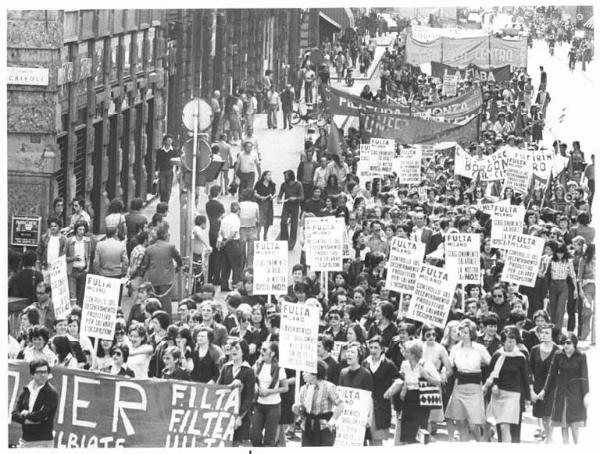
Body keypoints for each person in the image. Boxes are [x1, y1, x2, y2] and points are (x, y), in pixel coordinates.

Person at [385, 339, 442, 445]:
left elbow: (439, 382)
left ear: (413, 354)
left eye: (406, 351)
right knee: (407, 432)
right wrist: (394, 391)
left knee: (420, 431)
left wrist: (426, 376)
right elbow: (403, 380)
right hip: (408, 399)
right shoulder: (404, 364)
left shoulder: (426, 364)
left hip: (422, 399)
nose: (404, 353)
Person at [539, 332, 589, 444]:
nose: (565, 346)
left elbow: (584, 377)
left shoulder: (581, 356)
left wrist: (586, 394)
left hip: (576, 394)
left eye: (568, 343)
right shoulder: (558, 355)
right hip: (561, 392)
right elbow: (551, 374)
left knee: (575, 425)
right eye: (564, 343)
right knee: (564, 423)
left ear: (574, 344)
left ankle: (576, 447)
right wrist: (544, 390)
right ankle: (565, 447)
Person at [445, 319, 491, 442]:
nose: (464, 334)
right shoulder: (455, 348)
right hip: (459, 385)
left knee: (475, 423)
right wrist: (442, 375)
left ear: (472, 333)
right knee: (460, 421)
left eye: (467, 332)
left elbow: (492, 364)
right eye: (462, 331)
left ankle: (482, 443)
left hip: (475, 386)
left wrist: (487, 384)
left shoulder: (480, 348)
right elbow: (448, 366)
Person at [483, 326, 531, 443]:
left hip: (513, 395)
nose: (511, 344)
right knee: (500, 426)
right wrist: (494, 385)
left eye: (513, 341)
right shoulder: (497, 356)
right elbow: (490, 374)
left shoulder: (520, 357)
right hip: (498, 395)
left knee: (505, 426)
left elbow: (525, 379)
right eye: (509, 341)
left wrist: (527, 398)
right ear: (503, 342)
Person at [292, 360, 344, 447]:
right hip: (307, 428)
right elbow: (301, 410)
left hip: (325, 428)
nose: (303, 373)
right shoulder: (304, 389)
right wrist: (296, 408)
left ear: (314, 374)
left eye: (306, 371)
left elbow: (341, 405)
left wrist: (332, 421)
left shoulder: (329, 387)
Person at [11, 359, 59, 448]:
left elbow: (41, 416)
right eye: (39, 372)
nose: (43, 375)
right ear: (32, 374)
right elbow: (14, 414)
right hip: (25, 440)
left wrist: (26, 413)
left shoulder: (51, 393)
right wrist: (27, 420)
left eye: (45, 371)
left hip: (43, 441)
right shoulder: (26, 389)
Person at [218, 339, 256, 446]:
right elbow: (218, 388)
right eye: (232, 347)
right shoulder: (226, 367)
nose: (234, 350)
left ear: (243, 351)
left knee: (238, 444)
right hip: (225, 412)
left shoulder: (249, 371)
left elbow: (249, 397)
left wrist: (239, 417)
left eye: (237, 348)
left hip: (241, 416)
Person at [250, 341, 289, 447]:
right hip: (259, 404)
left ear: (272, 353)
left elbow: (285, 388)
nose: (261, 352)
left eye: (264, 349)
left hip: (273, 406)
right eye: (260, 349)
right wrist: (256, 388)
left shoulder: (279, 368)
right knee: (254, 436)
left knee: (269, 439)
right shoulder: (257, 364)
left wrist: (269, 391)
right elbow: (253, 379)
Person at [362, 335, 399, 445]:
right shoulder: (365, 362)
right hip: (367, 404)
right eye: (371, 347)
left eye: (376, 348)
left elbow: (400, 380)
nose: (373, 350)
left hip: (381, 405)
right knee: (368, 437)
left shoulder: (388, 364)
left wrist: (390, 391)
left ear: (382, 349)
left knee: (378, 438)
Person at [530, 323, 558, 443]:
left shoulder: (558, 350)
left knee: (549, 414)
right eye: (542, 332)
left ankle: (549, 438)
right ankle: (545, 433)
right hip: (538, 385)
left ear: (552, 335)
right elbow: (530, 370)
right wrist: (531, 389)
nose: (544, 335)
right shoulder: (535, 349)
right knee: (541, 413)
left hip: (552, 386)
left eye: (547, 333)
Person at [547, 242, 578, 328]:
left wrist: (575, 289)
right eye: (558, 252)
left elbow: (573, 276)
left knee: (560, 309)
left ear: (564, 253)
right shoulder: (551, 260)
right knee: (552, 309)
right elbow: (546, 273)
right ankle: (553, 328)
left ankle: (558, 330)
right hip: (553, 285)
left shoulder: (568, 261)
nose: (559, 255)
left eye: (561, 253)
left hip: (563, 285)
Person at [65, 220, 93, 306]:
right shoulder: (69, 241)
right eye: (79, 229)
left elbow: (88, 255)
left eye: (83, 230)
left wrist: (87, 267)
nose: (81, 232)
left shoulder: (87, 241)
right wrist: (73, 258)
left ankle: (79, 312)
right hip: (72, 270)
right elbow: (64, 257)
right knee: (72, 295)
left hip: (83, 270)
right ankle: (73, 313)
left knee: (81, 295)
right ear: (76, 230)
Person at [278, 170, 304, 251]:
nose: (285, 178)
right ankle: (284, 241)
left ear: (291, 176)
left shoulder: (298, 184)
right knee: (283, 222)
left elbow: (302, 197)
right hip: (286, 205)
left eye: (286, 176)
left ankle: (291, 243)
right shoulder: (283, 185)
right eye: (284, 176)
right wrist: (279, 199)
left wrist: (295, 198)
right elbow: (280, 194)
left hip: (295, 206)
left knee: (294, 225)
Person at [239, 189, 260, 269]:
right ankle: (249, 269)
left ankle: (241, 268)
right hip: (252, 229)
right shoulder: (255, 205)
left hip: (241, 229)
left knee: (241, 251)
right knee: (251, 251)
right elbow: (258, 219)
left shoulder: (240, 204)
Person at [254, 170, 276, 241]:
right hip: (260, 204)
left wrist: (273, 197)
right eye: (268, 175)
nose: (270, 176)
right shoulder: (259, 184)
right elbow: (255, 193)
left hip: (269, 205)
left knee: (267, 221)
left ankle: (265, 235)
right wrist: (260, 197)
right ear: (264, 176)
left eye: (270, 175)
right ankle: (258, 236)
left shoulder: (272, 184)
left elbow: (274, 193)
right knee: (260, 221)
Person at [155, 135, 177, 203]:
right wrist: (156, 171)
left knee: (168, 188)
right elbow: (157, 161)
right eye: (168, 140)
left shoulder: (174, 151)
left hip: (170, 171)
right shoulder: (160, 151)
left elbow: (176, 160)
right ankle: (162, 201)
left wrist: (177, 170)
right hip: (162, 171)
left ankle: (166, 203)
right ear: (164, 141)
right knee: (162, 188)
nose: (169, 142)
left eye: (170, 140)